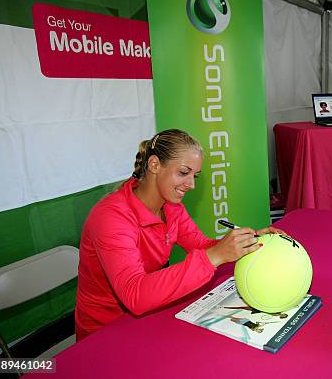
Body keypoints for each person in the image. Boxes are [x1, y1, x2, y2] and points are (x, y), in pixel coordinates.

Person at [75, 129, 282, 340]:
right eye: (184, 173)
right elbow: (134, 294)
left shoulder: (172, 206)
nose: (191, 185)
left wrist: (244, 241)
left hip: (149, 316)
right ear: (154, 165)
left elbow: (201, 245)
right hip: (104, 332)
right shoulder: (111, 217)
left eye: (195, 176)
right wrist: (216, 255)